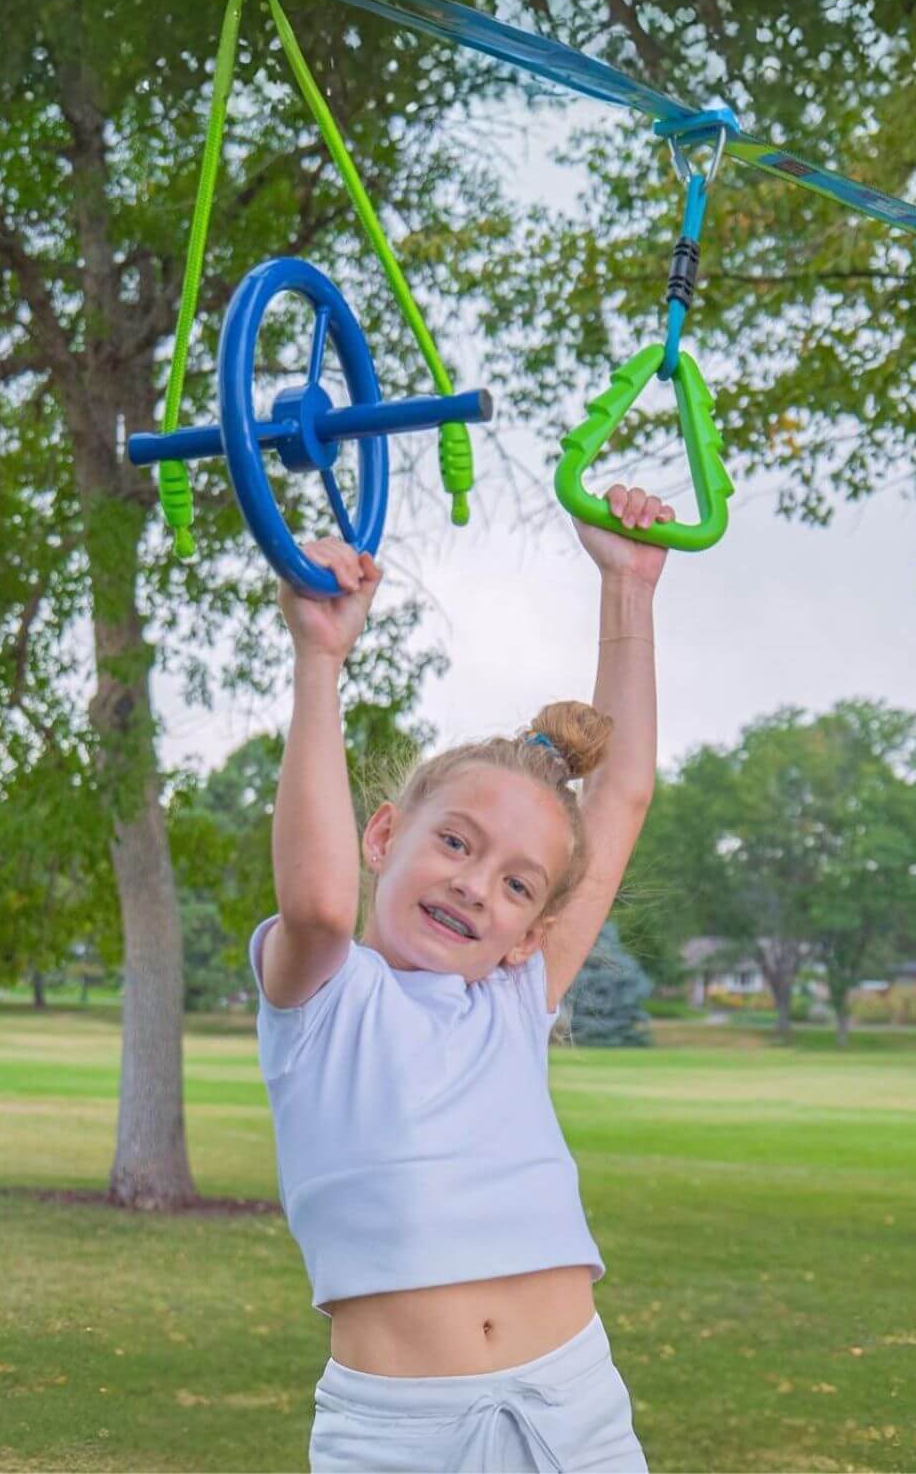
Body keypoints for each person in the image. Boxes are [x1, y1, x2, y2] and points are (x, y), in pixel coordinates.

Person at [250, 483, 676, 1472]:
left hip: (576, 1409)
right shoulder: (325, 994)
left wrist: (631, 588)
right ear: (385, 834)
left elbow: (624, 793)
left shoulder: (514, 998)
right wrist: (321, 660)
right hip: (402, 1436)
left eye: (518, 883)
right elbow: (317, 905)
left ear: (533, 931)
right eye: (455, 842)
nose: (477, 886)